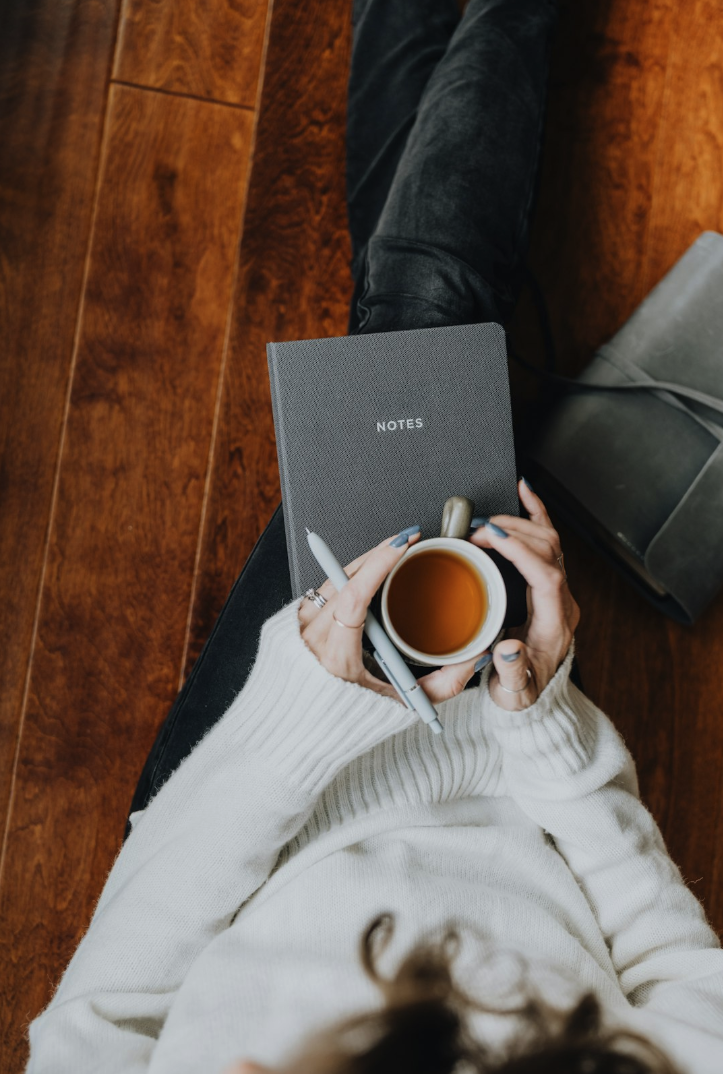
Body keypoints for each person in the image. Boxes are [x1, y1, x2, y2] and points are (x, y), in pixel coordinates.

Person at [26, 2, 723, 1073]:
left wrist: (298, 709)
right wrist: (545, 723)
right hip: (505, 745)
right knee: (416, 331)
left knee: (418, 328)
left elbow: (103, 1012)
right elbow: (687, 981)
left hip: (248, 803)